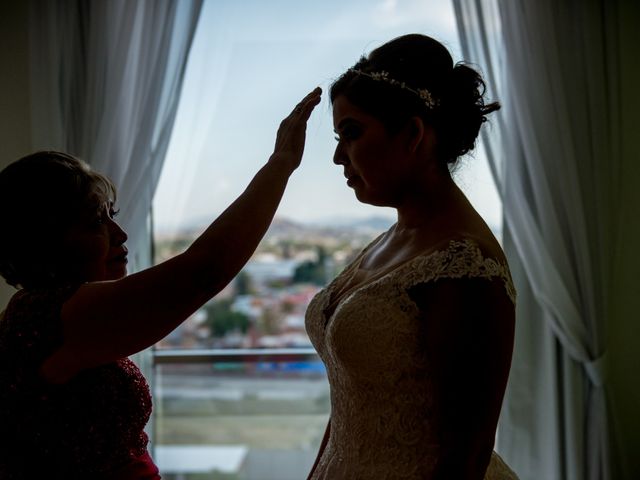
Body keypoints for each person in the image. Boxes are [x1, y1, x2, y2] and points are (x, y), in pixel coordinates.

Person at [0, 88, 321, 479]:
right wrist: (281, 164)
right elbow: (203, 271)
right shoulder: (44, 320)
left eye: (112, 215)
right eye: (96, 222)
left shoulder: (49, 316)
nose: (120, 234)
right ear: (45, 239)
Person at [304, 34, 519, 479]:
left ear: (414, 134)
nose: (337, 155)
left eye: (351, 133)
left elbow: (467, 454)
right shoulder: (391, 239)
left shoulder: (464, 265)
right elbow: (353, 400)